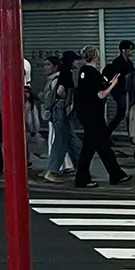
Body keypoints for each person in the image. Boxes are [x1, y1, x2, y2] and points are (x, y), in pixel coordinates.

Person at [73, 45, 131, 188]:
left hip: (85, 113)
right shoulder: (93, 73)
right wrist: (113, 85)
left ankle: (114, 174)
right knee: (96, 146)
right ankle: (87, 178)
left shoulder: (83, 72)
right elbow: (101, 94)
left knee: (96, 146)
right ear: (96, 56)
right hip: (94, 115)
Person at [41, 54, 81, 182]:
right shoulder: (66, 74)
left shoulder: (63, 73)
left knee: (71, 141)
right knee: (61, 140)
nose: (78, 63)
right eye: (76, 60)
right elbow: (60, 91)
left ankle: (80, 167)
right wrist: (67, 103)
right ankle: (52, 171)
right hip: (61, 109)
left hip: (59, 109)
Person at [103, 39, 135, 141]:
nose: (131, 52)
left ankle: (130, 135)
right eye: (130, 49)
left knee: (124, 113)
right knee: (123, 112)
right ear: (123, 50)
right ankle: (106, 133)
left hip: (126, 91)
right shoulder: (118, 62)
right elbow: (116, 78)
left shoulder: (129, 63)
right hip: (118, 91)